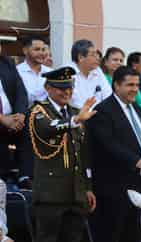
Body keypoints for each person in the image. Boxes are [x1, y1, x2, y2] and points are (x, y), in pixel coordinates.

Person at [87, 66, 141, 242]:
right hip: (113, 186)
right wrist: (136, 160)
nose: (135, 89)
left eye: (137, 85)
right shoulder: (102, 111)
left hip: (137, 184)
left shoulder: (137, 110)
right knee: (112, 233)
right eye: (129, 85)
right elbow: (108, 144)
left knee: (135, 233)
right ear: (116, 85)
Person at [28, 67, 96, 242]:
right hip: (50, 194)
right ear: (48, 88)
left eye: (69, 88)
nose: (66, 92)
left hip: (75, 194)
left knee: (73, 237)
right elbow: (49, 128)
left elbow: (83, 154)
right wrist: (75, 121)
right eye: (61, 88)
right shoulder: (39, 111)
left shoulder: (75, 112)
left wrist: (87, 187)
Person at [0, 43, 28, 185]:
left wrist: (21, 115)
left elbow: (20, 91)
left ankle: (25, 176)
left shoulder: (7, 63)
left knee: (31, 125)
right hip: (2, 118)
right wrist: (2, 119)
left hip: (12, 117)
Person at [102, 48, 141, 117]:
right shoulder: (101, 79)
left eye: (121, 61)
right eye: (115, 60)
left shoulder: (129, 79)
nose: (118, 63)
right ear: (106, 62)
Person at [69, 39, 112, 108]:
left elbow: (108, 96)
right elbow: (75, 103)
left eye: (97, 54)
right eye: (93, 55)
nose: (98, 58)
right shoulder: (68, 73)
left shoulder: (97, 71)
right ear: (81, 57)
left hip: (99, 115)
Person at [17, 36, 52, 107]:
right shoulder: (16, 72)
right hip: (23, 115)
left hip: (48, 115)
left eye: (43, 49)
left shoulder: (51, 73)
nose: (41, 53)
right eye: (37, 49)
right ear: (25, 51)